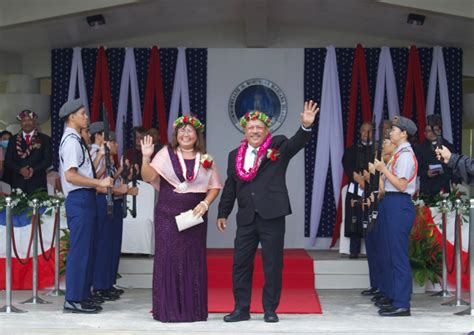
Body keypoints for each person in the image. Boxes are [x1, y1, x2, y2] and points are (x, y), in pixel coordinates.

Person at [216, 101, 319, 323]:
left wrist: (305, 127)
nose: (255, 131)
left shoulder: (278, 147)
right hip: (246, 217)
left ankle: (270, 310)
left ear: (266, 130)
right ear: (244, 130)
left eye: (259, 127)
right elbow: (230, 186)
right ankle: (241, 309)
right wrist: (223, 213)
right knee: (240, 264)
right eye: (251, 127)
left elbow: (296, 144)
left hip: (272, 215)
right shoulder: (235, 155)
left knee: (272, 264)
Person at [141, 115, 222, 322]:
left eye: (190, 130)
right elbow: (148, 177)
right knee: (168, 258)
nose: (186, 134)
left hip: (195, 215)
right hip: (167, 214)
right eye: (182, 130)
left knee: (192, 260)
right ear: (176, 134)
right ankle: (167, 310)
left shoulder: (205, 158)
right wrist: (146, 157)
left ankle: (193, 310)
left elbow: (214, 186)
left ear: (197, 135)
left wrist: (205, 204)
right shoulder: (165, 154)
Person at [58, 99, 114, 314]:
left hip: (85, 198)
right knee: (80, 250)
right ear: (71, 117)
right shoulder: (71, 141)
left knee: (87, 249)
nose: (86, 117)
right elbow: (71, 175)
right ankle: (73, 299)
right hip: (79, 198)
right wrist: (99, 183)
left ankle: (82, 295)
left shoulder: (76, 139)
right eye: (82, 113)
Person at [373, 116, 418, 317]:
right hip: (391, 202)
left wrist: (383, 169)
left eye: (394, 130)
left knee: (398, 255)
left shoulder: (406, 155)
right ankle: (394, 296)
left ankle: (402, 303)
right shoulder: (398, 154)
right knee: (391, 253)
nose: (390, 133)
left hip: (399, 203)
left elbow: (401, 185)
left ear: (404, 134)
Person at [89, 123, 138, 301]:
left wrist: (120, 172)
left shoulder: (106, 156)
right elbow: (98, 184)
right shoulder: (96, 153)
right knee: (104, 245)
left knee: (112, 245)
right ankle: (101, 285)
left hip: (112, 201)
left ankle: (107, 283)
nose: (116, 145)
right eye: (113, 141)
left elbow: (108, 179)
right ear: (101, 137)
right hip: (104, 202)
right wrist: (124, 191)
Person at [342, 122, 373, 259]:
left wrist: (367, 181)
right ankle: (354, 251)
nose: (366, 134)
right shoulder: (351, 150)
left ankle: (372, 251)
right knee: (354, 217)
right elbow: (347, 166)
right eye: (364, 131)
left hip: (372, 188)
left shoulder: (377, 151)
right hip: (355, 188)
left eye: (369, 131)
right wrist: (358, 179)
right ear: (360, 132)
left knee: (370, 217)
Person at [4, 110, 52, 194]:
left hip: (38, 184)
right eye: (24, 121)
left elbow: (48, 160)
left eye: (29, 120)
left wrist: (33, 169)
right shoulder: (13, 139)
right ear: (20, 123)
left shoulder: (45, 139)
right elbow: (8, 161)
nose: (27, 123)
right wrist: (20, 170)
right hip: (18, 184)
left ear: (35, 122)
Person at [415, 115, 458, 200]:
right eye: (429, 131)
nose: (433, 133)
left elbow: (455, 166)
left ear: (440, 131)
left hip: (444, 187)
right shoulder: (419, 149)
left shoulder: (449, 146)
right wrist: (426, 173)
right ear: (425, 133)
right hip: (426, 189)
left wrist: (455, 181)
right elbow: (416, 168)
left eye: (436, 130)